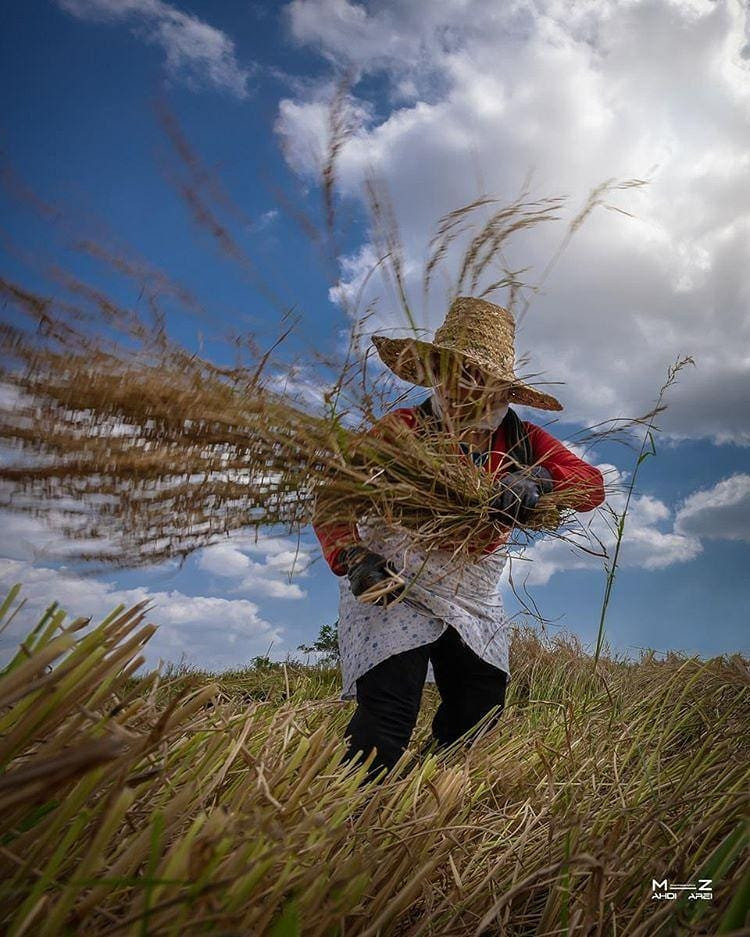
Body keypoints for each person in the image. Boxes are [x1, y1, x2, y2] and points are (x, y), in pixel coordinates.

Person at [313, 296, 605, 783]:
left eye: (478, 375)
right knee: (388, 715)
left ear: (501, 386)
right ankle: (352, 808)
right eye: (454, 371)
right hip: (396, 578)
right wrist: (353, 556)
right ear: (437, 372)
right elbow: (336, 495)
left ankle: (431, 799)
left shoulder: (522, 439)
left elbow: (591, 485)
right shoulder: (404, 430)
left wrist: (539, 479)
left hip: (471, 592)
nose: (465, 385)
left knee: (479, 705)